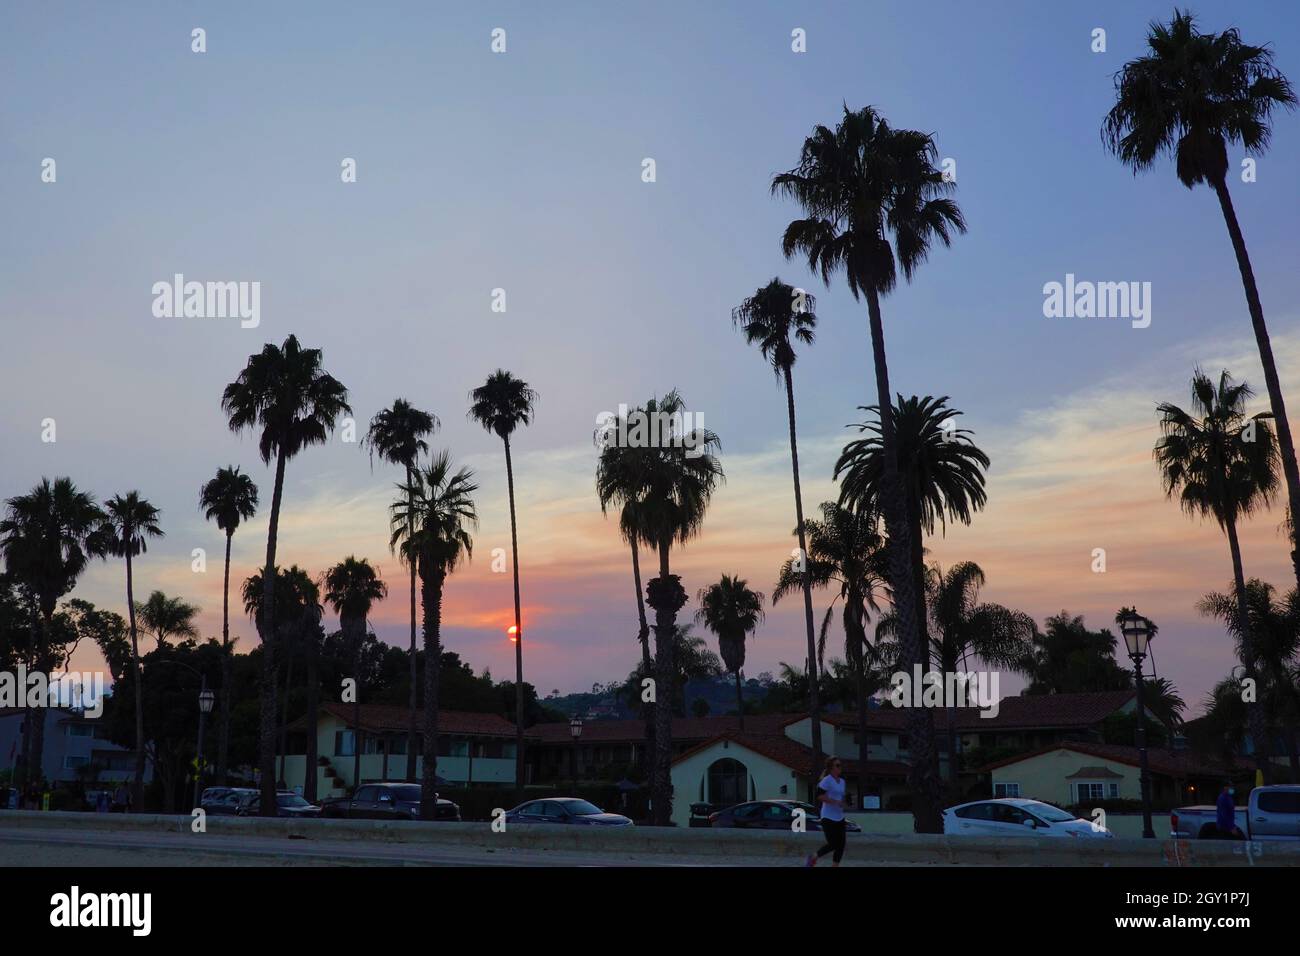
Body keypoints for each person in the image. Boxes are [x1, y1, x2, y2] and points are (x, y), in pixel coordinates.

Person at [806, 757, 848, 867]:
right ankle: (814, 856)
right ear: (831, 768)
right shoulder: (826, 780)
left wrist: (844, 802)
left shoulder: (842, 782)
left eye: (840, 765)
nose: (840, 767)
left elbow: (841, 797)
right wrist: (835, 802)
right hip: (828, 817)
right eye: (837, 765)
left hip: (839, 816)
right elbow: (819, 796)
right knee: (833, 843)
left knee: (841, 845)